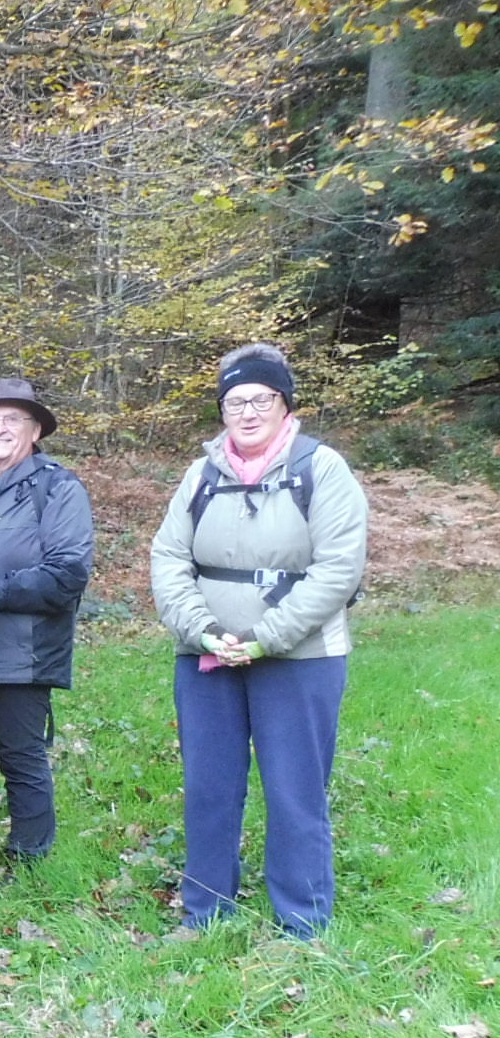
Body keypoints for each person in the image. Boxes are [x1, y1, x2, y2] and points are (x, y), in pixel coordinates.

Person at [149, 343, 368, 938]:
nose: (246, 412)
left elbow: (339, 569)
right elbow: (169, 556)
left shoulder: (322, 470)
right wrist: (203, 630)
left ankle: (302, 921)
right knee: (209, 788)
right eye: (234, 401)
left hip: (300, 658)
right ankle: (205, 911)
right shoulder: (201, 473)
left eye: (260, 399)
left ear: (284, 403)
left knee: (295, 791)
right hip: (207, 655)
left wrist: (266, 638)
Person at [0, 377, 94, 862]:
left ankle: (30, 859)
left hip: (24, 655)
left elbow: (66, 574)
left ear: (35, 432)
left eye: (13, 419)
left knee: (21, 758)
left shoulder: (57, 486)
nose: (0, 428)